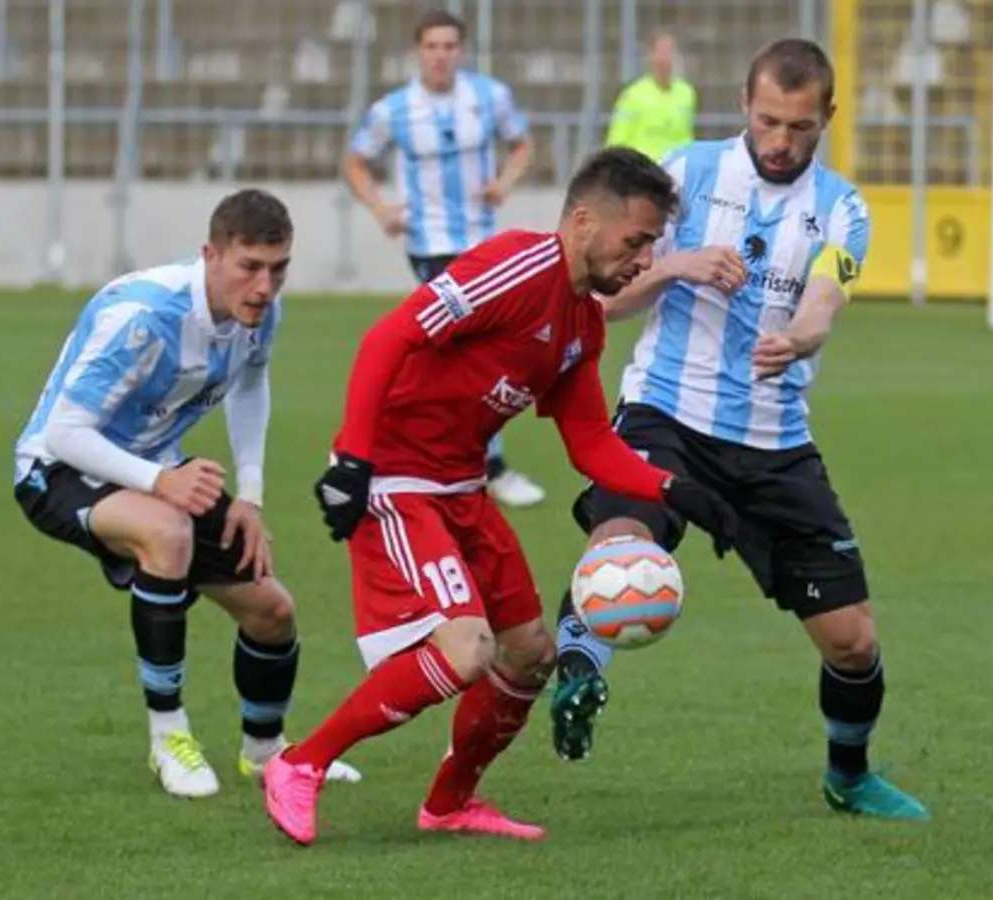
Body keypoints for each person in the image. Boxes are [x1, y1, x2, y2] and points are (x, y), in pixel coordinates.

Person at [262, 148, 740, 847]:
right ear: (583, 221)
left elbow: (591, 445)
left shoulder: (584, 323)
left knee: (529, 654)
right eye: (636, 241)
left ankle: (450, 803)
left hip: (461, 488)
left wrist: (680, 492)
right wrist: (355, 457)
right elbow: (389, 336)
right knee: (467, 649)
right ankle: (299, 764)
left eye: (652, 245)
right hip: (397, 480)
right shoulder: (517, 267)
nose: (645, 261)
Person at [551, 39, 930, 822]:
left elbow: (827, 298)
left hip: (774, 440)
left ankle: (849, 776)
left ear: (827, 117)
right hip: (666, 413)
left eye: (799, 127)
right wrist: (674, 266)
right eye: (767, 122)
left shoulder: (845, 209)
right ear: (743, 106)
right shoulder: (683, 176)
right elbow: (598, 299)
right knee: (624, 537)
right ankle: (580, 669)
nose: (780, 142)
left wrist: (800, 336)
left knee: (853, 642)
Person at [12, 189, 360, 799]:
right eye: (249, 266)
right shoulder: (144, 315)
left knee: (271, 609)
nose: (264, 286)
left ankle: (265, 751)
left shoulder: (261, 314)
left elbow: (252, 387)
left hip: (152, 469)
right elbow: (64, 432)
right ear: (211, 254)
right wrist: (162, 482)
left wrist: (249, 497)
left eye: (278, 268)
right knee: (167, 533)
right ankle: (168, 737)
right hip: (57, 468)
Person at [343, 8, 546, 508]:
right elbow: (354, 159)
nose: (441, 56)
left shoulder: (488, 96)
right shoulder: (396, 108)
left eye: (449, 46)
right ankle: (482, 465)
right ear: (419, 51)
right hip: (430, 245)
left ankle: (448, 456)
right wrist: (379, 208)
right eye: (432, 47)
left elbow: (522, 144)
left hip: (481, 241)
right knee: (463, 348)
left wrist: (505, 183)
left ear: (462, 51)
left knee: (475, 349)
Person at [605, 30, 697, 162]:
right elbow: (617, 139)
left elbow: (686, 136)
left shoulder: (686, 93)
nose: (665, 58)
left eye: (669, 52)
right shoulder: (633, 95)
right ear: (650, 56)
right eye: (661, 52)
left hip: (676, 170)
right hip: (644, 171)